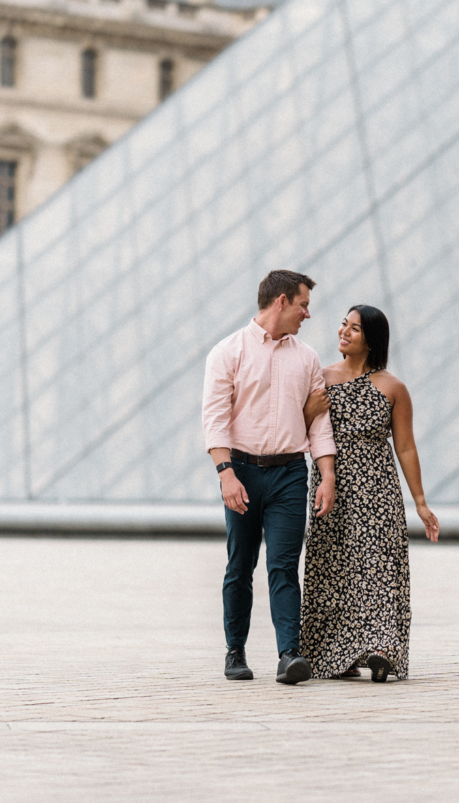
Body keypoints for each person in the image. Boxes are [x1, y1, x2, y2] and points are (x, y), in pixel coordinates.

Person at [202, 270, 337, 684]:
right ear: (281, 301)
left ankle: (288, 655)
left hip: (290, 475)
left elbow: (319, 425)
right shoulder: (227, 352)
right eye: (303, 304)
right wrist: (226, 475)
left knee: (283, 565)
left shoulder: (308, 357)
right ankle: (235, 651)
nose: (308, 315)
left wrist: (327, 475)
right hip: (241, 470)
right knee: (240, 565)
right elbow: (215, 418)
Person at [299, 304, 439, 683]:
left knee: (378, 569)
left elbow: (405, 447)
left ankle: (381, 650)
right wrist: (309, 410)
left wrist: (421, 504)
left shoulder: (393, 388)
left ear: (372, 339)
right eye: (344, 324)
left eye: (354, 328)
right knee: (333, 569)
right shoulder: (320, 378)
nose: (343, 331)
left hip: (378, 494)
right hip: (331, 490)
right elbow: (297, 431)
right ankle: (336, 655)